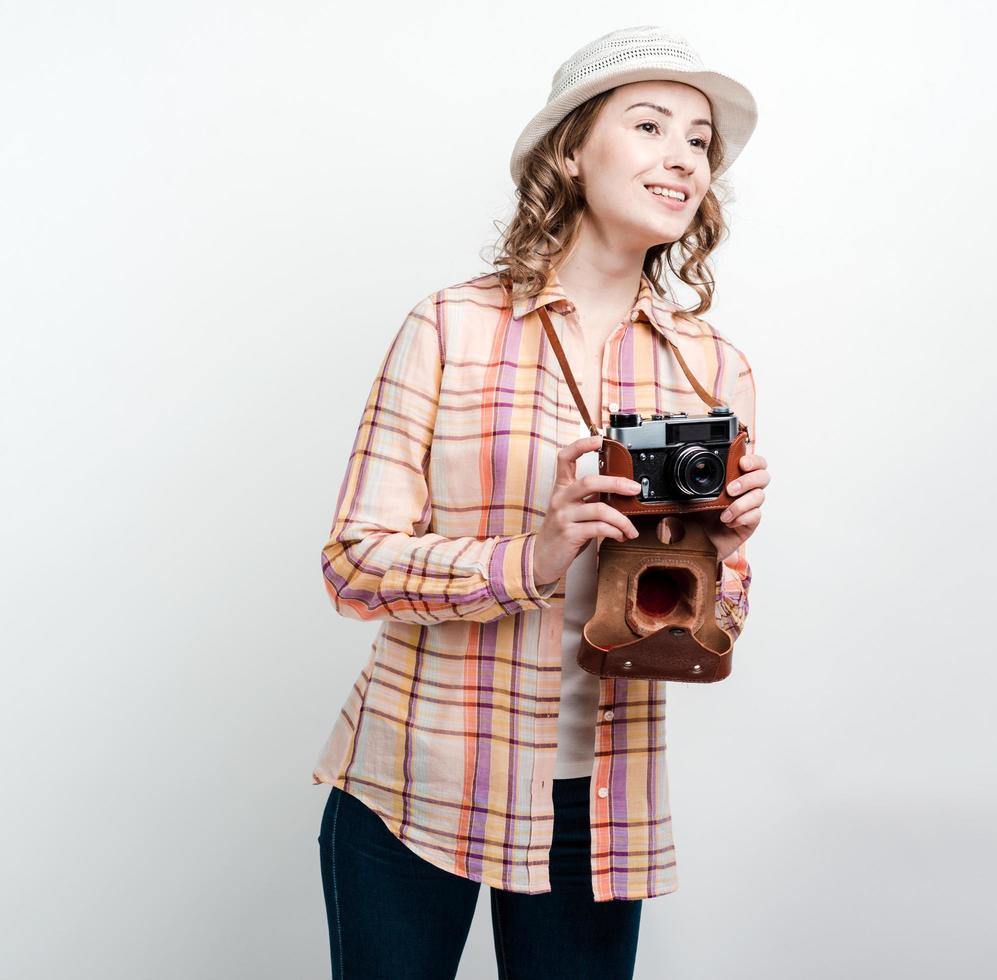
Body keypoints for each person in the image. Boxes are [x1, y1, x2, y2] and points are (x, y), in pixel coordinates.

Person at [310, 25, 772, 980]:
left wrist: (717, 558)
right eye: (649, 126)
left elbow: (711, 625)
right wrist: (536, 554)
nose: (682, 158)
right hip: (418, 778)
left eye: (698, 142)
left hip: (599, 803)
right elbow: (351, 565)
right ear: (569, 150)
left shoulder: (712, 365)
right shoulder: (450, 326)